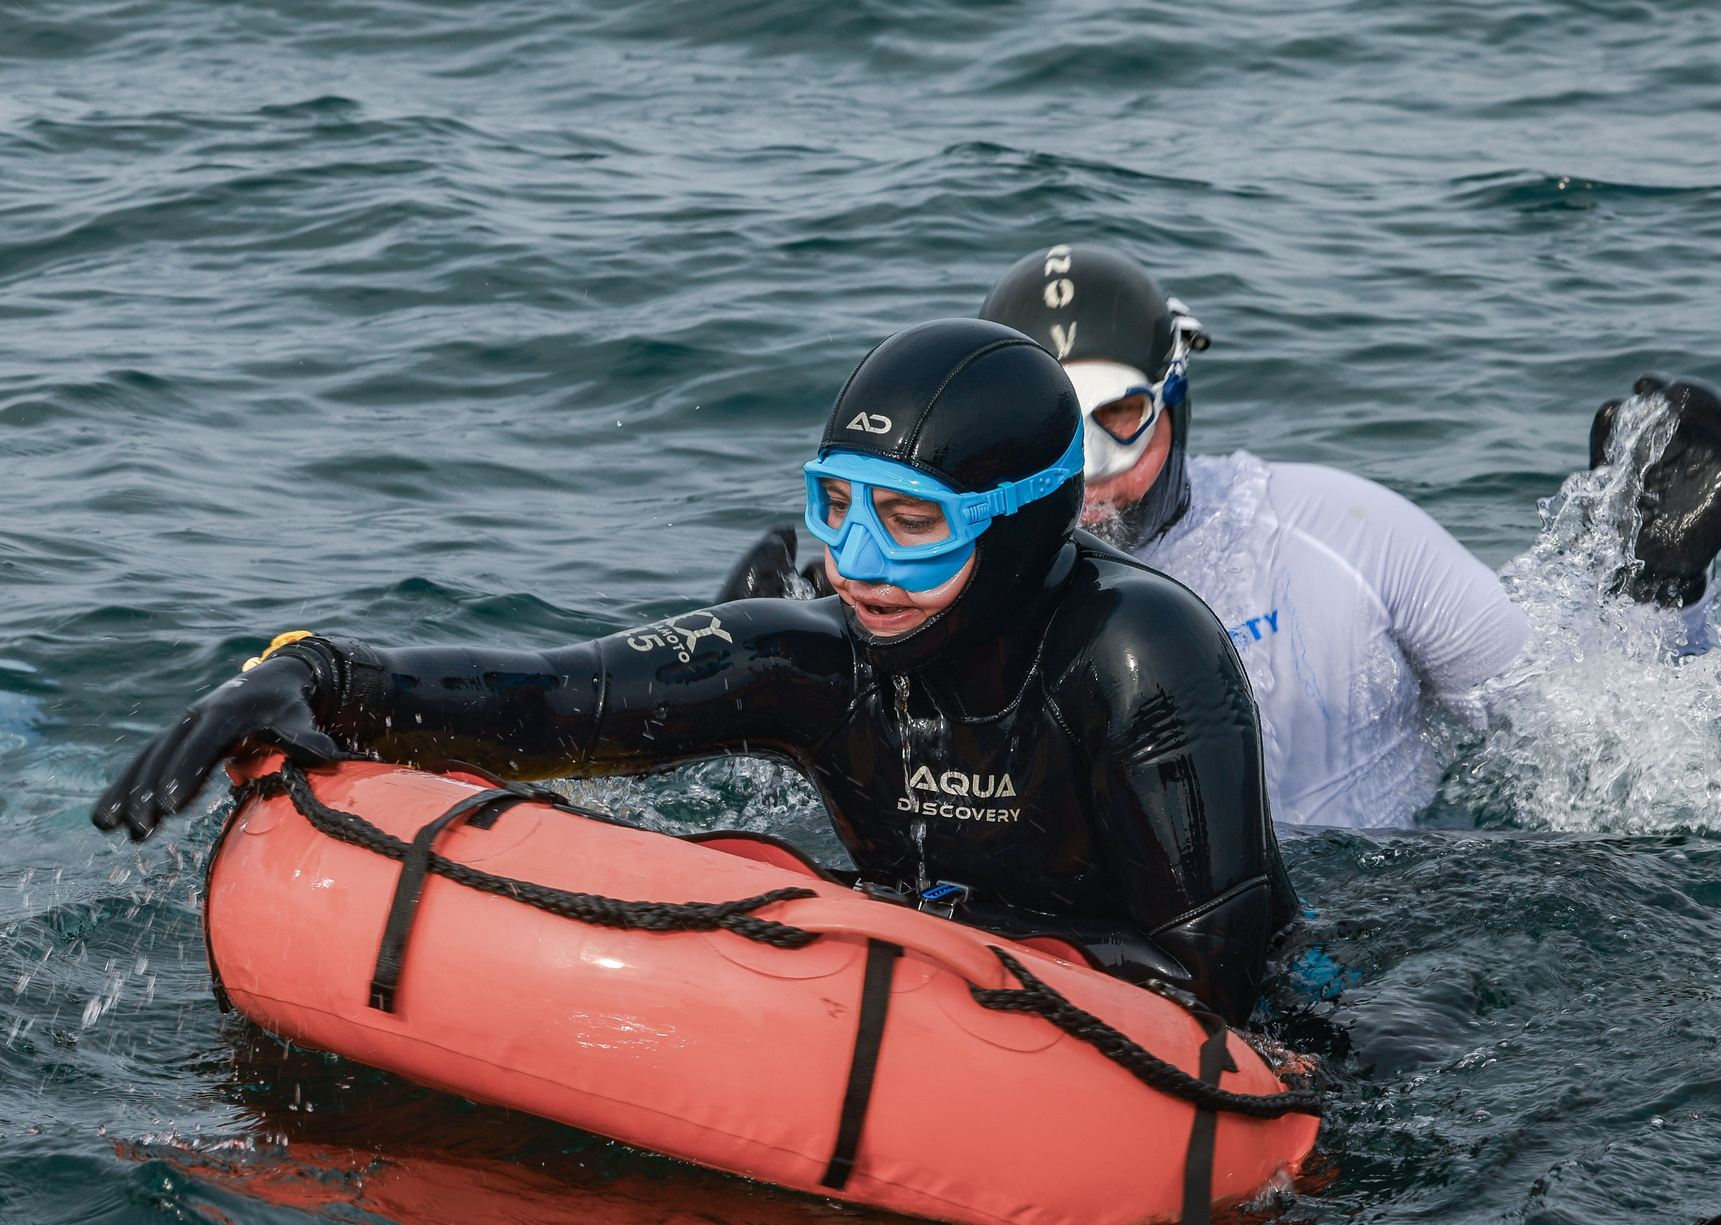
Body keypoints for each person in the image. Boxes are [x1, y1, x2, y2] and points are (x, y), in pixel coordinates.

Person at [96, 319, 1290, 1023]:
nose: (857, 564)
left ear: (1027, 522)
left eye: (912, 522)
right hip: (930, 991)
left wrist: (902, 921)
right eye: (834, 506)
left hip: (1255, 1032)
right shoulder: (819, 656)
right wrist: (310, 672)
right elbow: (557, 698)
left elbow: (1211, 978)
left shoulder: (1137, 654)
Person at [722, 247, 1721, 831]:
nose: (1086, 478)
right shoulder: (919, 576)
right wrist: (770, 674)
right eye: (1047, 434)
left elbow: (1594, 735)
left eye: (1119, 420)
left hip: (1380, 915)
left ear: (1176, 395)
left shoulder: (1339, 534)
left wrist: (1657, 582)